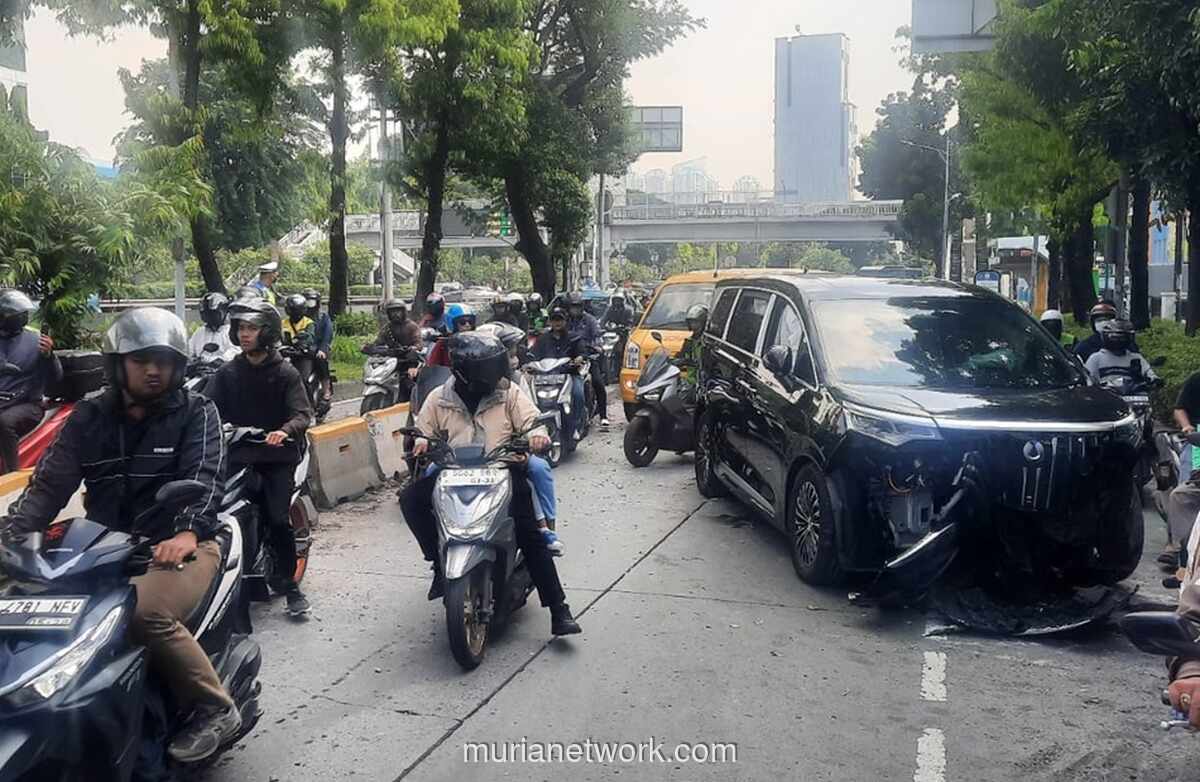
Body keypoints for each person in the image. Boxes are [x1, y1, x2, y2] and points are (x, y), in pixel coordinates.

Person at [0, 308, 237, 762]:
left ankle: (214, 708)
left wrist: (187, 531)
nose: (153, 370)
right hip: (100, 548)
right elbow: (50, 484)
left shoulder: (196, 410)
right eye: (141, 359)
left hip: (180, 547)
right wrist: (14, 535)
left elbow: (205, 478)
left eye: (164, 361)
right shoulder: (90, 415)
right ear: (118, 363)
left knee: (145, 613)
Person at [398, 332, 581, 635]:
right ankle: (436, 560)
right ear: (467, 372)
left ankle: (559, 609)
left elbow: (532, 421)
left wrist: (537, 435)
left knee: (530, 535)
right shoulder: (440, 398)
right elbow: (422, 428)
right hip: (453, 472)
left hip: (503, 470)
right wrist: (419, 440)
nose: (498, 374)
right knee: (411, 500)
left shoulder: (508, 393)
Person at [204, 298, 313, 617]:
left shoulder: (285, 373)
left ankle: (291, 587)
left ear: (267, 332)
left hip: (277, 456)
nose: (244, 333)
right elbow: (205, 406)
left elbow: (302, 414)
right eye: (240, 328)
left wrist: (284, 431)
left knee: (277, 518)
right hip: (239, 453)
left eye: (251, 328)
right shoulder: (228, 372)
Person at [478, 321, 562, 554]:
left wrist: (534, 436)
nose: (513, 357)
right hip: (467, 458)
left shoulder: (514, 384)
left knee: (539, 470)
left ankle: (547, 528)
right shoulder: (456, 386)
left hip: (509, 451)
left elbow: (529, 417)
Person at [0, 290, 60, 474]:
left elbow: (56, 379)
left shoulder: (36, 341)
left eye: (24, 314)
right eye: (17, 314)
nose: (23, 317)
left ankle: (10, 477)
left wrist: (49, 356)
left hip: (27, 405)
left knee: (3, 422)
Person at [531, 307, 588, 445]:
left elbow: (582, 353)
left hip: (569, 375)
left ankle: (576, 425)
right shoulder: (542, 339)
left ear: (565, 321)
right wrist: (528, 364)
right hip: (545, 378)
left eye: (560, 319)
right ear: (550, 321)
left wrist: (578, 360)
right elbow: (532, 354)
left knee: (578, 394)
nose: (557, 323)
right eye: (554, 319)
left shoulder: (574, 337)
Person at [565, 292, 608, 427]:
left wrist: (597, 346)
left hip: (587, 357)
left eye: (577, 307)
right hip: (568, 358)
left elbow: (597, 336)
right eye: (572, 307)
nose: (575, 310)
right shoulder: (564, 321)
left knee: (598, 383)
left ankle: (603, 415)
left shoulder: (590, 320)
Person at [1084, 319, 1157, 385]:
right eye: (1115, 338)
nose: (1118, 341)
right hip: (1106, 396)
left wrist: (1154, 380)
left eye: (1122, 338)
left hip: (1134, 395)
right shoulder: (1096, 358)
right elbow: (1088, 380)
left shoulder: (1136, 358)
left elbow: (1149, 374)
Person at [1075, 301, 1139, 363]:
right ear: (1093, 323)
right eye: (1099, 320)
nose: (1103, 323)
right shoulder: (1085, 347)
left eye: (1107, 319)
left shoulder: (1127, 344)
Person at [303, 288, 335, 401]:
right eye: (307, 301)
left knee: (321, 360)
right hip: (303, 349)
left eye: (311, 301)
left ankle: (326, 389)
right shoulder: (300, 316)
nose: (309, 304)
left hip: (318, 347)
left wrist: (322, 349)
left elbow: (328, 334)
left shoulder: (323, 316)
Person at [189, 292, 237, 361]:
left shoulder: (230, 331)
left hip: (223, 370)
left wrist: (221, 360)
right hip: (199, 369)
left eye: (213, 314)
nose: (210, 317)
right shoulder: (199, 332)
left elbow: (235, 351)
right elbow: (189, 351)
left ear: (224, 311)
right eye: (207, 314)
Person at [675, 304, 708, 397]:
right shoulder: (689, 341)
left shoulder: (707, 342)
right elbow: (680, 355)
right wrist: (673, 361)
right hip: (689, 383)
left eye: (697, 323)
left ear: (704, 323)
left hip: (703, 384)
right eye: (692, 323)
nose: (694, 326)